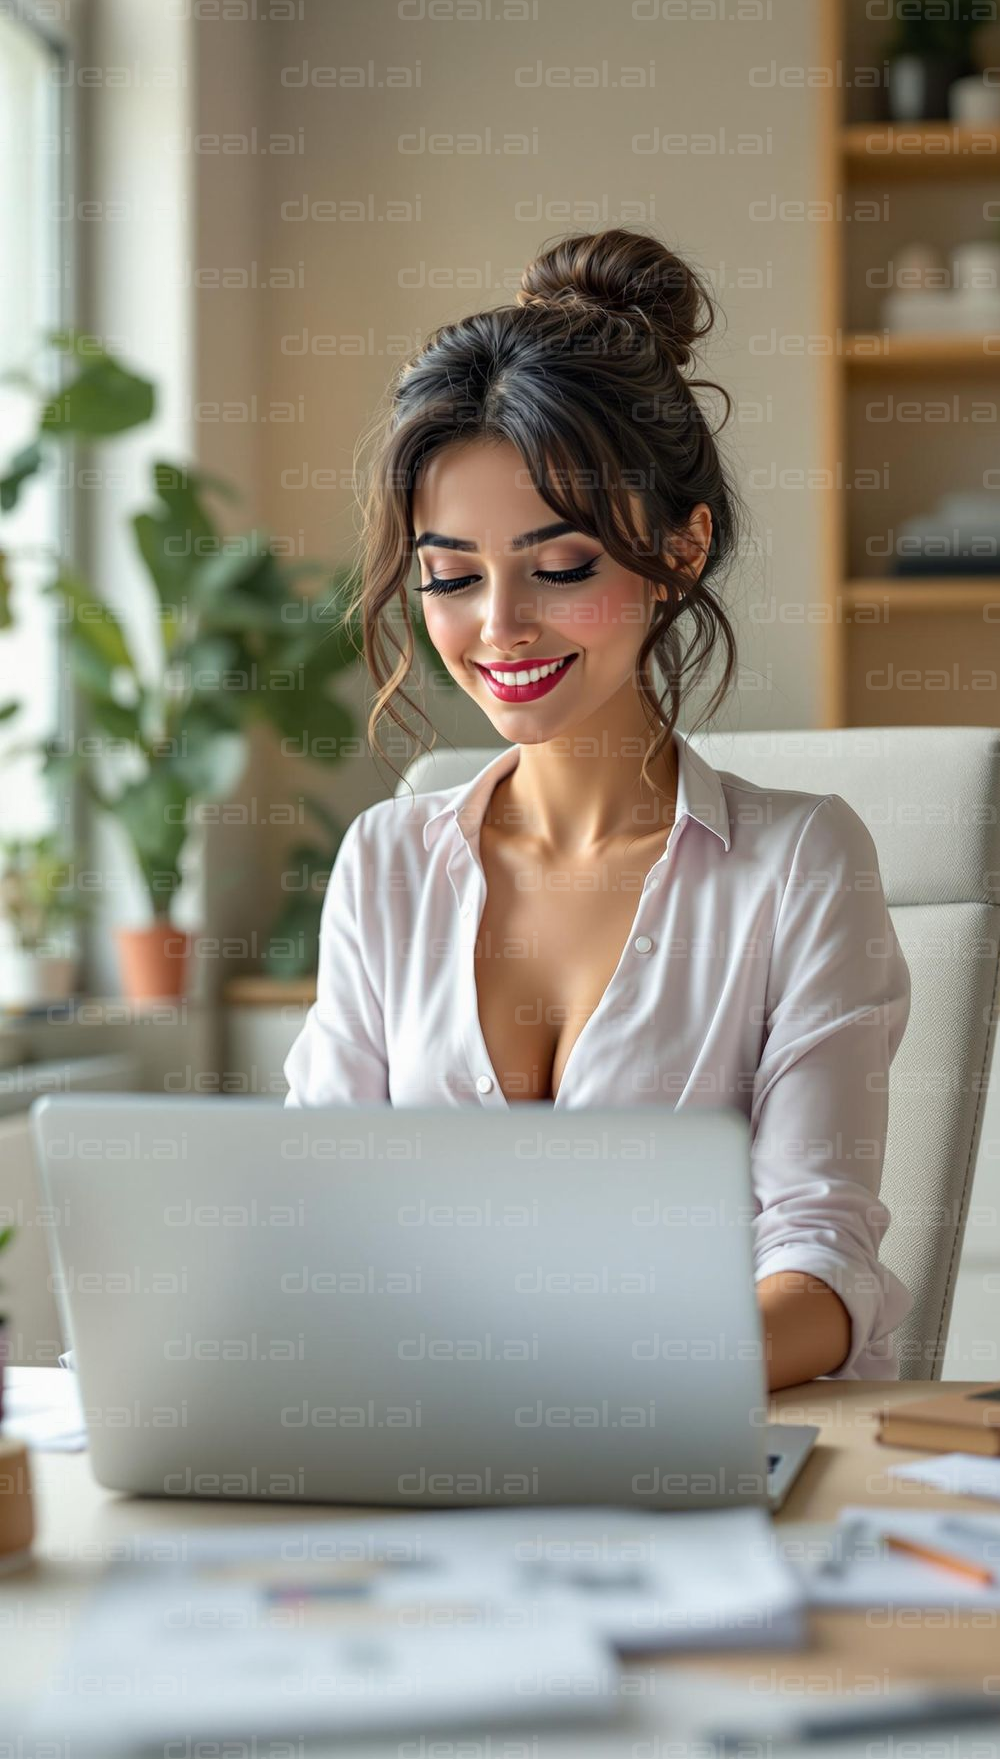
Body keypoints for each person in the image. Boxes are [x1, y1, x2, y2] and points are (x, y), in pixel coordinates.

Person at [283, 226, 914, 1389]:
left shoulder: (800, 862)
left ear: (681, 550)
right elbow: (322, 1216)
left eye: (560, 567)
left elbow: (820, 1268)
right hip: (428, 1444)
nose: (499, 627)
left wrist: (605, 1374)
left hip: (697, 1447)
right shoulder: (387, 863)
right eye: (452, 576)